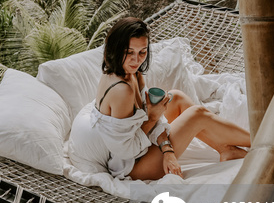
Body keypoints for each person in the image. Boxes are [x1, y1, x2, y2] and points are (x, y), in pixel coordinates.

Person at [68, 16, 251, 180]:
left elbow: (154, 111)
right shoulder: (121, 91)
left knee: (176, 97)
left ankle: (226, 150)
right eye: (129, 52)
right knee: (197, 115)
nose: (136, 60)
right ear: (116, 49)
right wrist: (155, 120)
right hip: (133, 165)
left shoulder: (133, 73)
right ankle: (260, 141)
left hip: (141, 146)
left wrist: (166, 147)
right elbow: (126, 150)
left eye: (142, 52)